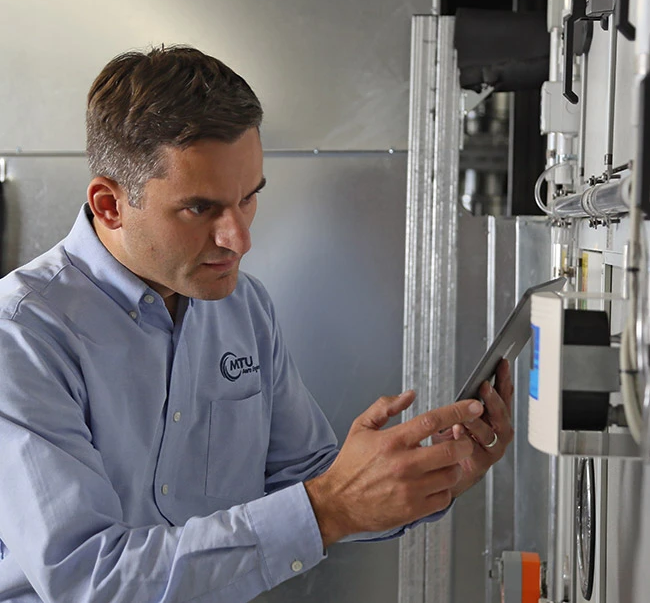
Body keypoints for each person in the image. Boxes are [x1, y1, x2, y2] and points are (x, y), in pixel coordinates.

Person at [0, 46, 514, 603]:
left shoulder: (242, 306)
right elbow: (89, 580)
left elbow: (308, 483)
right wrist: (329, 507)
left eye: (248, 199)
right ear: (109, 205)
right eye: (200, 208)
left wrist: (431, 473)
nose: (239, 239)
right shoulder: (22, 337)